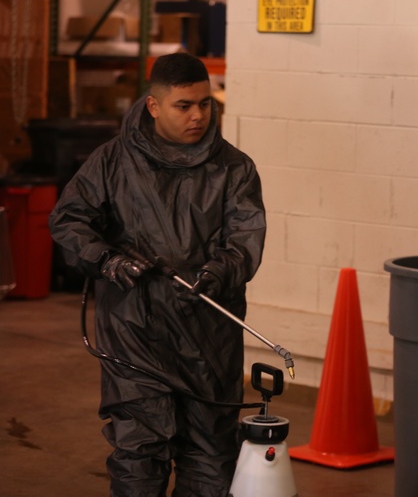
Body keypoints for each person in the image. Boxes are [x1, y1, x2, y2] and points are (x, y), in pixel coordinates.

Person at [49, 52, 266, 497]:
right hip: (135, 333)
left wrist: (219, 271)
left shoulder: (235, 168)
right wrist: (106, 259)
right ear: (153, 105)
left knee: (209, 460)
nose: (198, 115)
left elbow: (246, 239)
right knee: (139, 457)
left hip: (209, 336)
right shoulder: (111, 162)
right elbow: (69, 220)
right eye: (184, 105)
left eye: (205, 104)